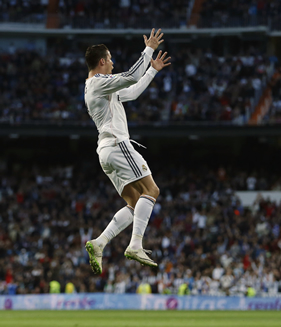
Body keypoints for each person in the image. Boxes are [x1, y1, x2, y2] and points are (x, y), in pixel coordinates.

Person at [83, 28, 171, 274]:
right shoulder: (100, 83)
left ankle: (99, 242)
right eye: (109, 59)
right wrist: (149, 48)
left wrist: (152, 69)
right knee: (152, 190)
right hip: (117, 144)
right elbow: (132, 76)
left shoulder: (96, 87)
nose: (112, 63)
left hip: (105, 152)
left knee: (134, 203)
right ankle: (135, 245)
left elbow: (130, 92)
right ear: (102, 61)